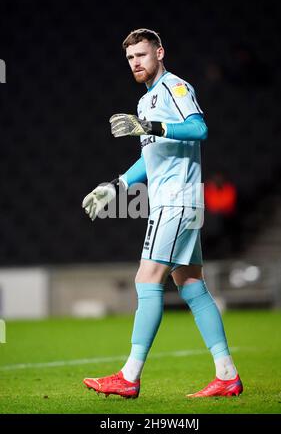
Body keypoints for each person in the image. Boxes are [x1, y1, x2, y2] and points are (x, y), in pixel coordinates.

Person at [82, 29, 243, 399]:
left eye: (142, 54)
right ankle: (227, 375)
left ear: (159, 52)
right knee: (191, 286)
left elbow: (199, 128)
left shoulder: (176, 87)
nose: (136, 62)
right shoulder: (145, 102)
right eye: (130, 58)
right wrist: (115, 186)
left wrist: (153, 126)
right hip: (178, 202)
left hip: (176, 200)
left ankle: (129, 376)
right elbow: (150, 155)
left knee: (146, 279)